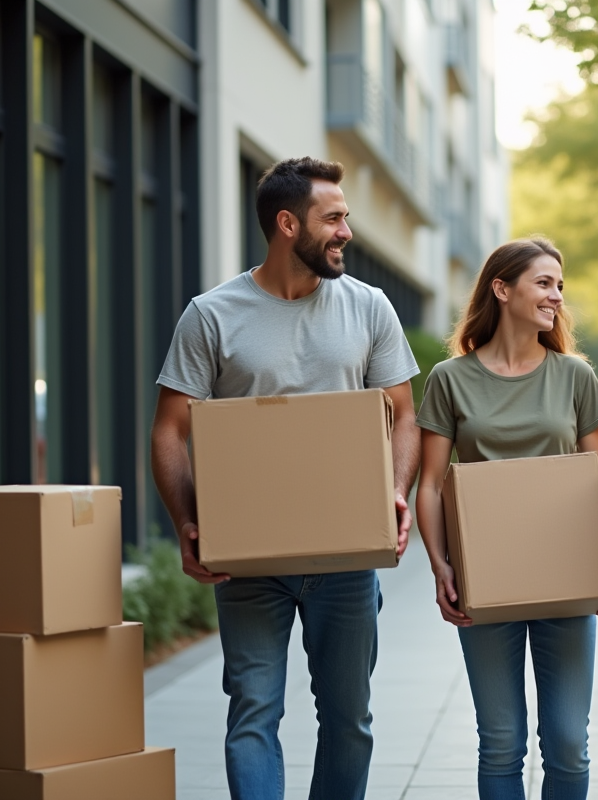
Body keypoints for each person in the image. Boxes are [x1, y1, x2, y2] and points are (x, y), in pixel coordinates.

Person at [150, 157, 421, 800]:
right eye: (333, 218)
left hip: (347, 553)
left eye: (345, 218)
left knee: (349, 720)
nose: (346, 231)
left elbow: (405, 416)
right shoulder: (212, 315)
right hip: (248, 558)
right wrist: (186, 519)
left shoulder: (369, 307)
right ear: (286, 223)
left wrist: (394, 489)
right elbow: (169, 428)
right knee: (253, 713)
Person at [414, 237, 598, 800]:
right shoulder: (450, 379)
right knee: (502, 742)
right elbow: (431, 484)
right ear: (501, 289)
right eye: (543, 282)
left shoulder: (574, 376)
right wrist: (441, 566)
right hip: (486, 580)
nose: (556, 295)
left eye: (560, 285)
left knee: (566, 741)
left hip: (565, 570)